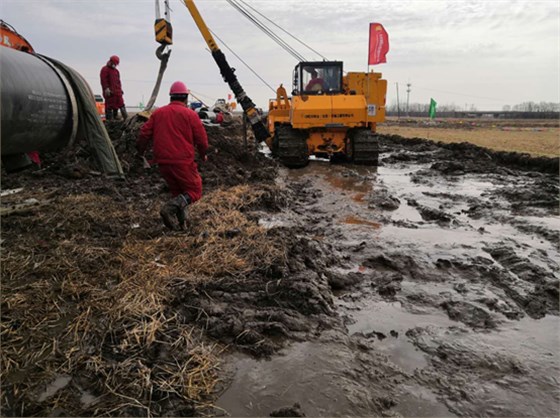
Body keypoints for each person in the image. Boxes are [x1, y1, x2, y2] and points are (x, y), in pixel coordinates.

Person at [136, 81, 209, 231]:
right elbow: (202, 139)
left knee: (179, 193)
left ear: (171, 97)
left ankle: (183, 225)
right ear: (186, 98)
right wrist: (203, 155)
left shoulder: (158, 113)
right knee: (195, 191)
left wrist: (141, 152)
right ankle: (169, 209)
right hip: (182, 161)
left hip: (162, 162)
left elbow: (144, 133)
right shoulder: (190, 115)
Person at [100, 55, 127, 120]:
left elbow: (118, 81)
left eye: (116, 64)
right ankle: (109, 120)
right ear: (110, 62)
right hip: (110, 93)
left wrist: (120, 89)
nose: (115, 65)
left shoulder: (116, 71)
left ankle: (124, 118)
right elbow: (104, 80)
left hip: (117, 92)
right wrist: (106, 88)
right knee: (110, 106)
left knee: (120, 104)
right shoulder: (105, 69)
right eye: (114, 63)